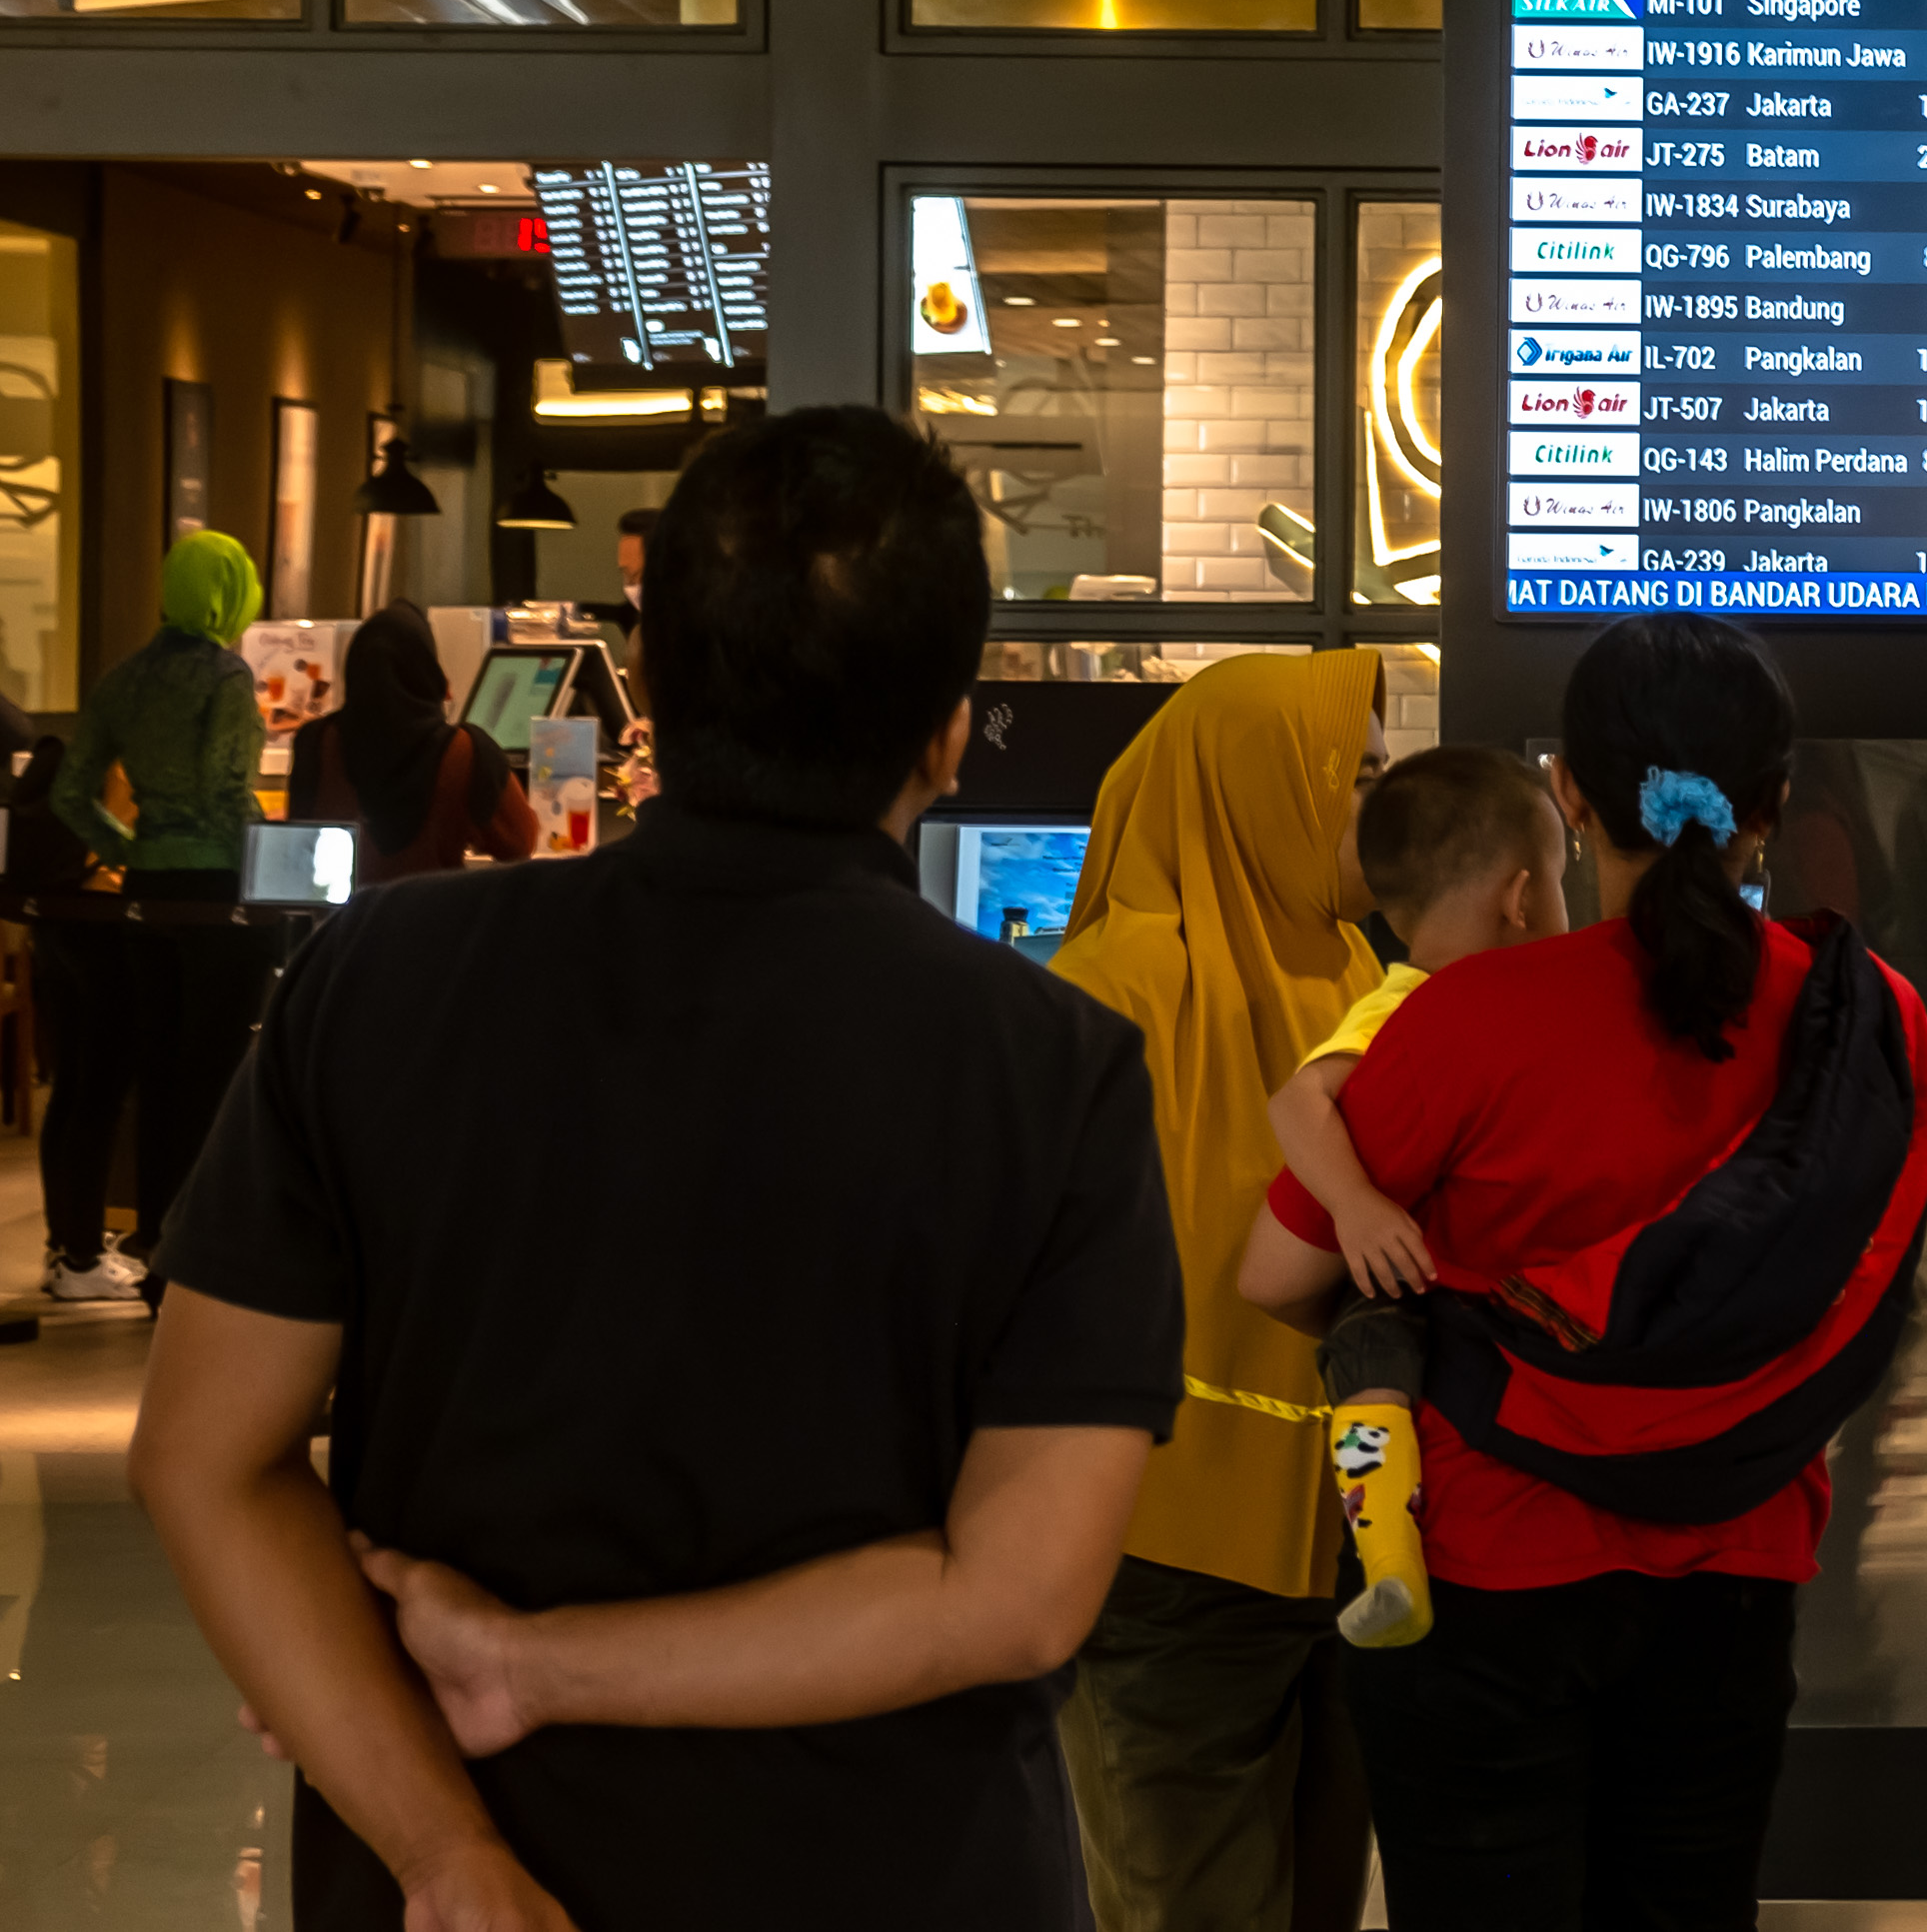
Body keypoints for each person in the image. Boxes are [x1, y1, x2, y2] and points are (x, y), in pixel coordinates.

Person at [125, 404, 1183, 1932]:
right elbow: (1009, 1596)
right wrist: (532, 1660)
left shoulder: (378, 977)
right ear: (952, 723)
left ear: (655, 679)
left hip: (460, 1882)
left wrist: (446, 1852)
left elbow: (204, 1459)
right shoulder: (1053, 1067)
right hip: (900, 1872)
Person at [1332, 612, 1927, 1929]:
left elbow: (1289, 1261)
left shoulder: (1466, 1017)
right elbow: (1872, 1284)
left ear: (1565, 790)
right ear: (1772, 806)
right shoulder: (1871, 1022)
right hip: (1734, 1567)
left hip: (1483, 1570)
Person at [1047, 650, 1393, 1932]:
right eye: (1349, 781)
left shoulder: (1358, 970)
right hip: (1160, 1557)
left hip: (1346, 1541)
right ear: (1254, 790)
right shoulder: (1108, 990)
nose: (1377, 807)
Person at [1235, 745, 1573, 1648]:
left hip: (1440, 1281)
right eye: (1562, 884)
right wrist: (1354, 1203)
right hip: (1398, 1269)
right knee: (1367, 1352)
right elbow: (1297, 1098)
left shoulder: (1469, 1002)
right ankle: (1388, 1557)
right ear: (1522, 895)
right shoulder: (1404, 1004)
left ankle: (1392, 1559)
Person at [48, 532, 277, 1304]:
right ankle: (205, 1263)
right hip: (219, 893)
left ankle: (156, 1248)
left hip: (146, 891)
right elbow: (227, 788)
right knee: (216, 1079)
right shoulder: (227, 677)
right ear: (231, 592)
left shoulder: (122, 680)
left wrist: (130, 841)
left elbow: (69, 791)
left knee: (161, 1075)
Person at [286, 602, 542, 884]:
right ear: (426, 670)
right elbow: (519, 844)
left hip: (346, 923)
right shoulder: (467, 752)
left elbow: (299, 844)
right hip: (432, 921)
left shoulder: (314, 742)